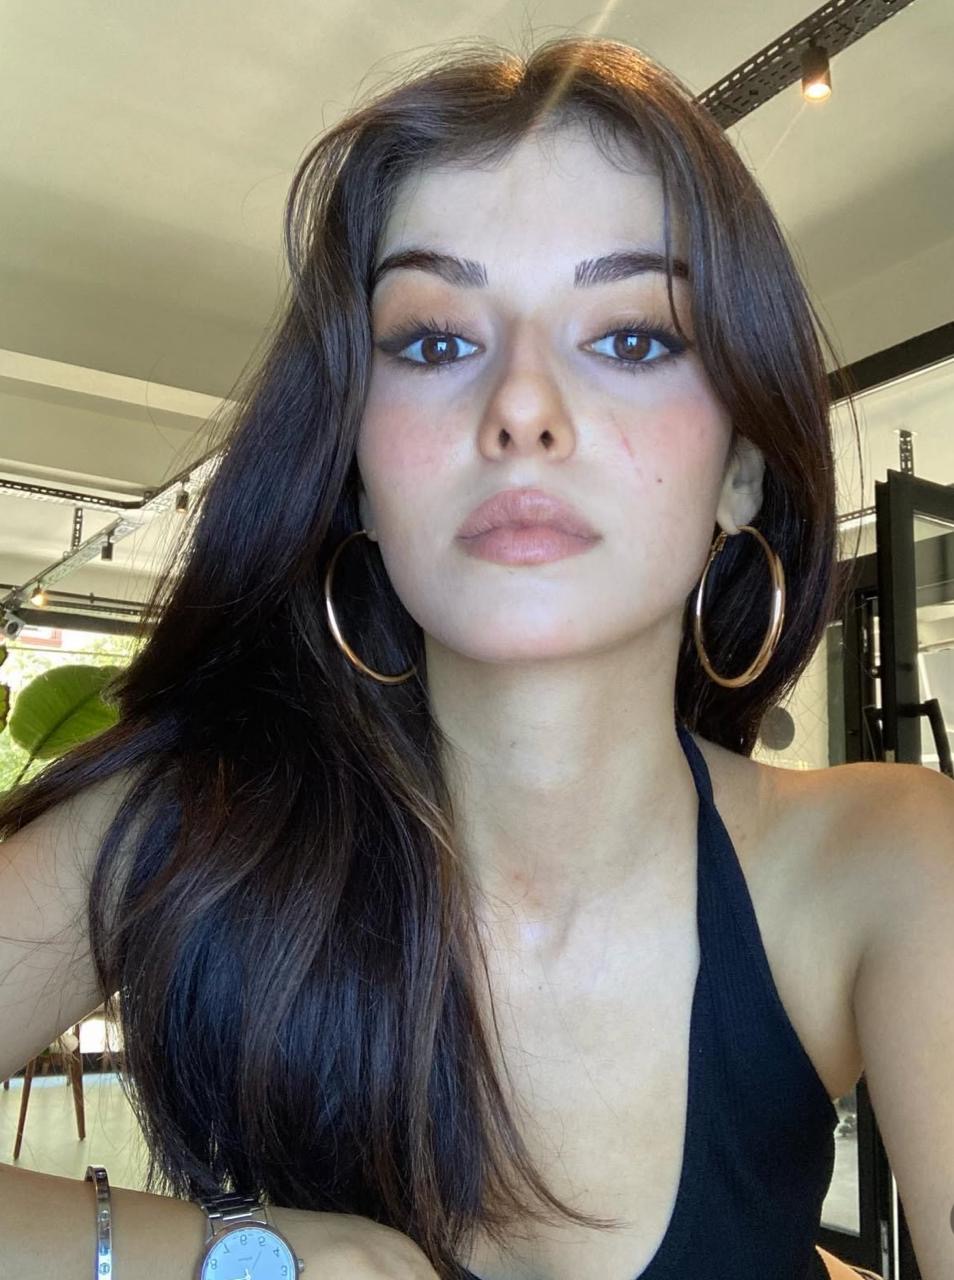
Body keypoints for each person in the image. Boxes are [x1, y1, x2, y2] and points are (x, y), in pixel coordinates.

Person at [0, 31, 897, 1280]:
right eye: (434, 341)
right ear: (358, 471)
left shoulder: (887, 863)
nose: (522, 408)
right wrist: (253, 1255)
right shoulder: (188, 823)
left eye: (631, 337)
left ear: (740, 470)